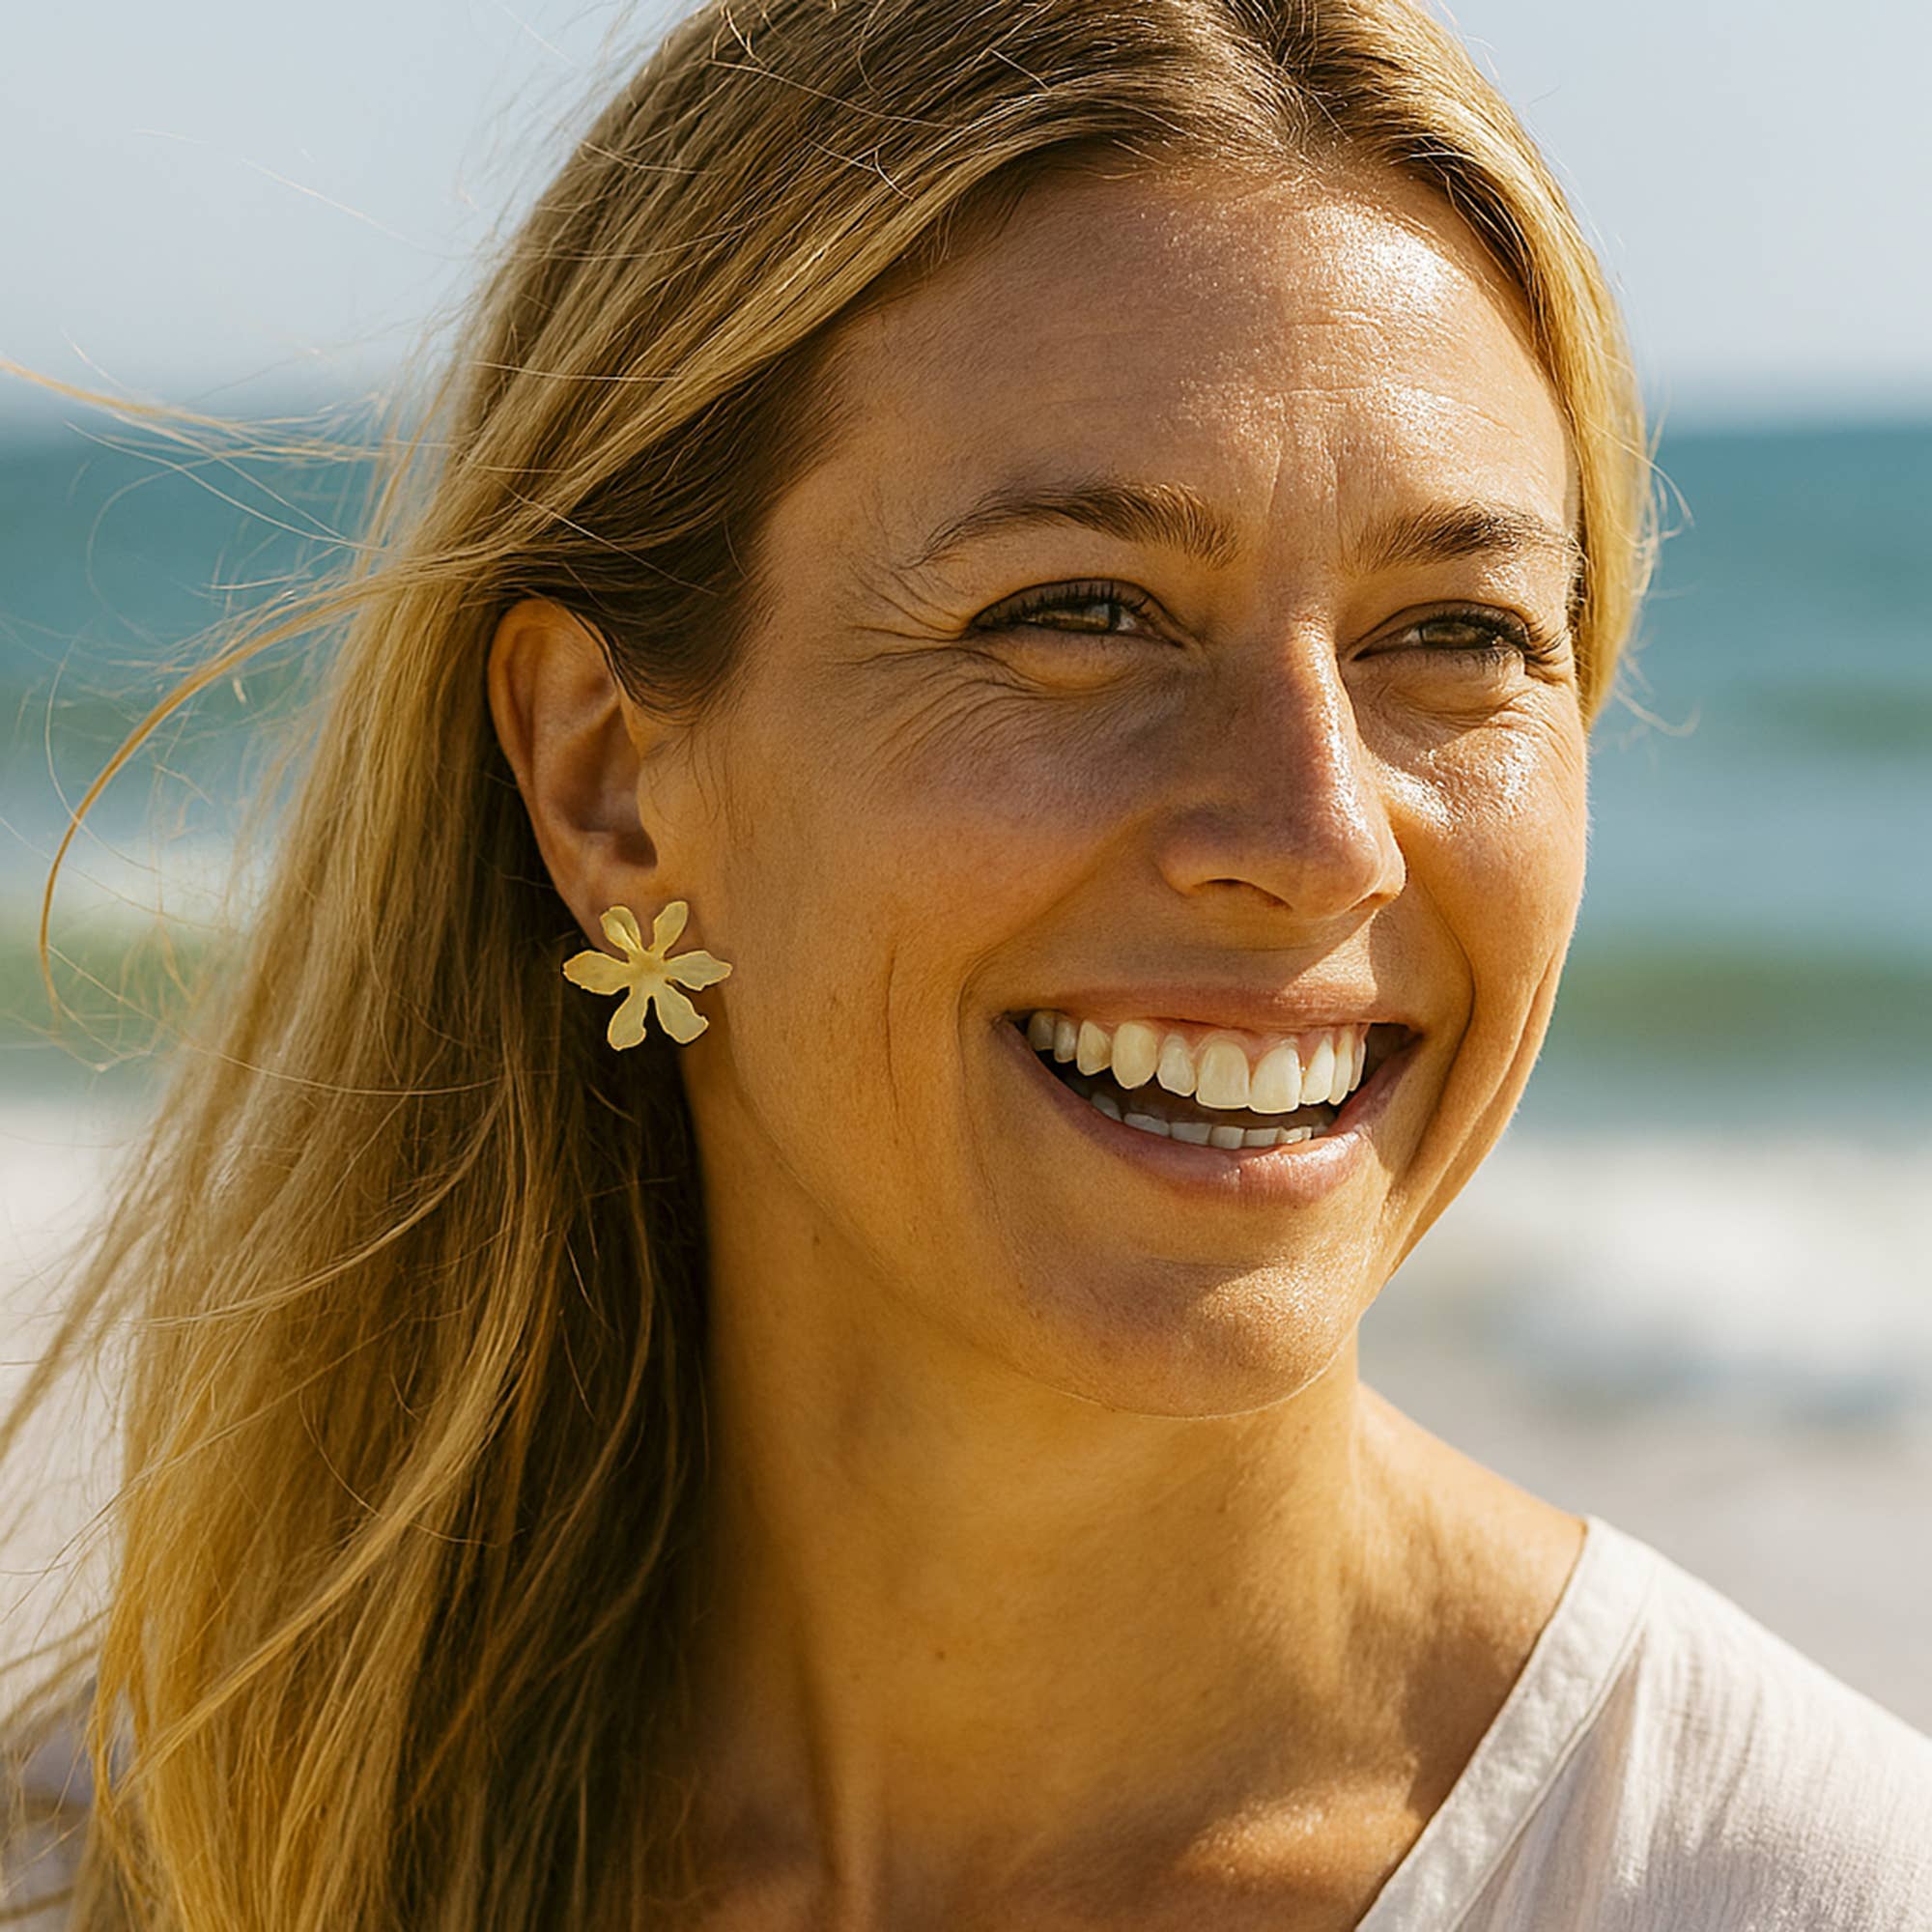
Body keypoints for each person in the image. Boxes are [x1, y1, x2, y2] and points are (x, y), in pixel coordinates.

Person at [5, 0, 1930, 1925]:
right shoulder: (143, 1860)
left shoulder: (1792, 1885)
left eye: (1455, 634)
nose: (1319, 830)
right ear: (603, 781)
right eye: (1080, 612)